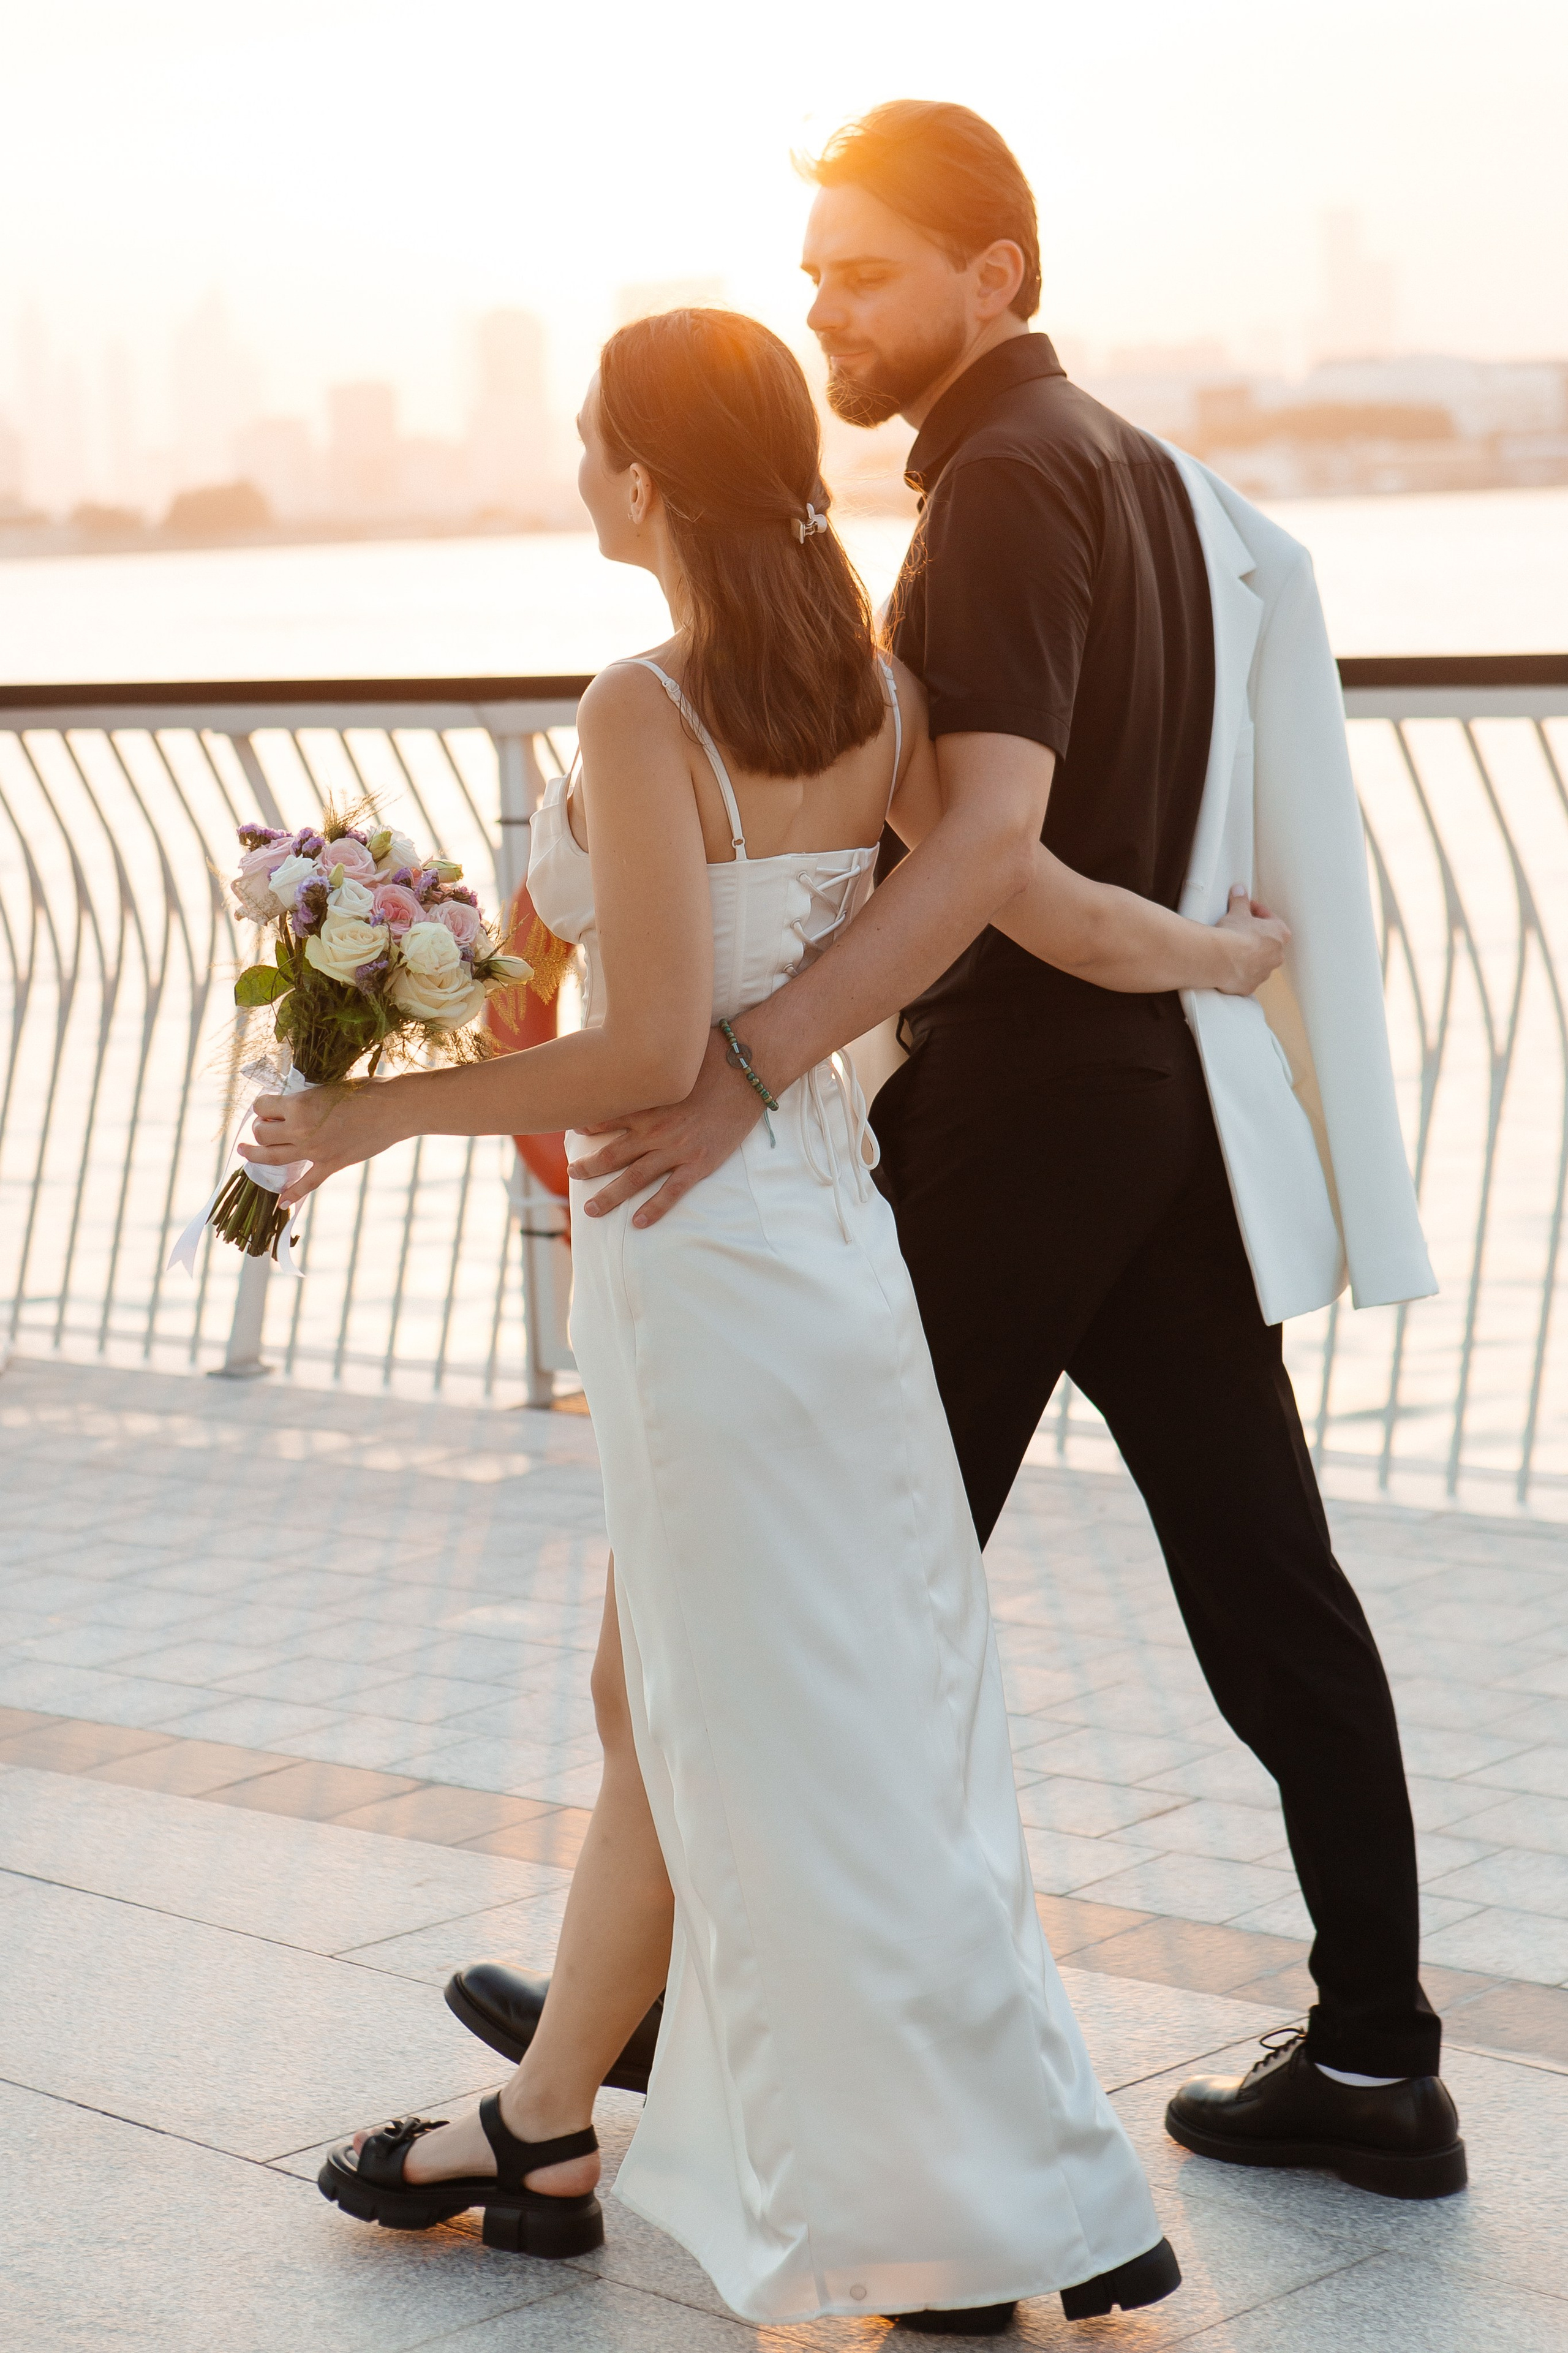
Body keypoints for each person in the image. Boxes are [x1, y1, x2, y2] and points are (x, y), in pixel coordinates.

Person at [246, 308, 1287, 2330]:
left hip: (703, 1266)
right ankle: (552, 2120)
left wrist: (364, 1118)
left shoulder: (646, 703)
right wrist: (1220, 959)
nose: (571, 461)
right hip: (828, 1237)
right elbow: (1041, 902)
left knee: (774, 1724)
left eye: (585, 436)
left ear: (642, 479)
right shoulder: (875, 690)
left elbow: (647, 1050)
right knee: (706, 1704)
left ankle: (948, 2201)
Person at [493, 104, 1466, 2200]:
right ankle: (1382, 2051)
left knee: (800, 1573)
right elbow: (1059, 845)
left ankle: (639, 2026)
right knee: (1260, 1568)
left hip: (1028, 1114)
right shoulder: (1132, 470)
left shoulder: (1014, 485)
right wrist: (1204, 960)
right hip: (1144, 1102)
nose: (825, 304)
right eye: (818, 273)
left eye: (863, 270)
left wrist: (747, 1061)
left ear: (994, 273)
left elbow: (989, 853)